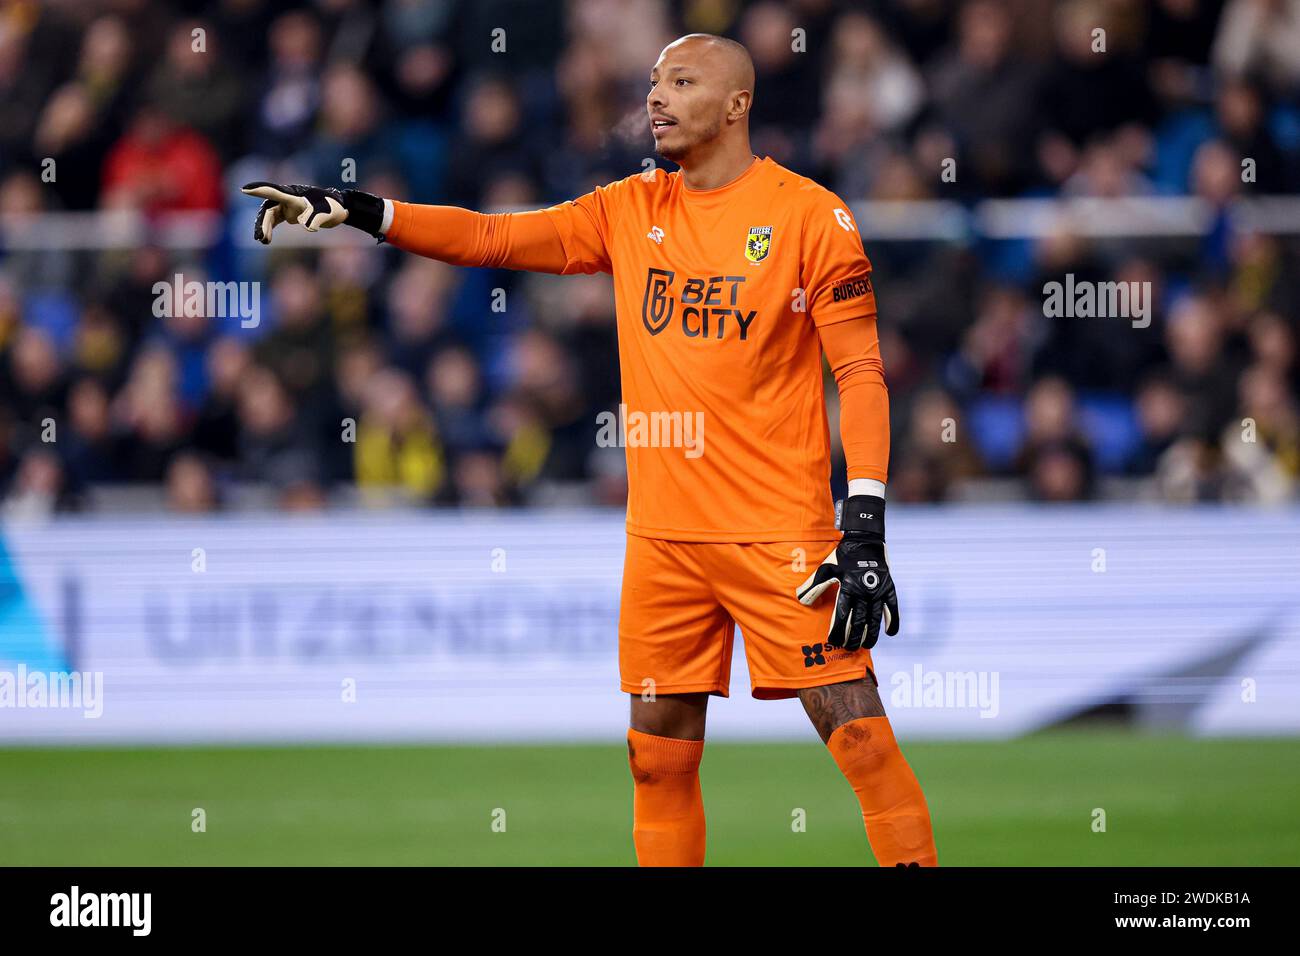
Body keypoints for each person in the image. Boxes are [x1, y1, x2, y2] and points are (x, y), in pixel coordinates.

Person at [243, 33, 937, 868]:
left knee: (859, 740)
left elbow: (861, 373)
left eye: (681, 82)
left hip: (779, 536)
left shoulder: (810, 217)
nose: (656, 97)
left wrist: (862, 526)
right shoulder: (629, 208)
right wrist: (367, 212)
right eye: (653, 82)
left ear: (736, 105)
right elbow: (493, 238)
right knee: (655, 761)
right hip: (662, 543)